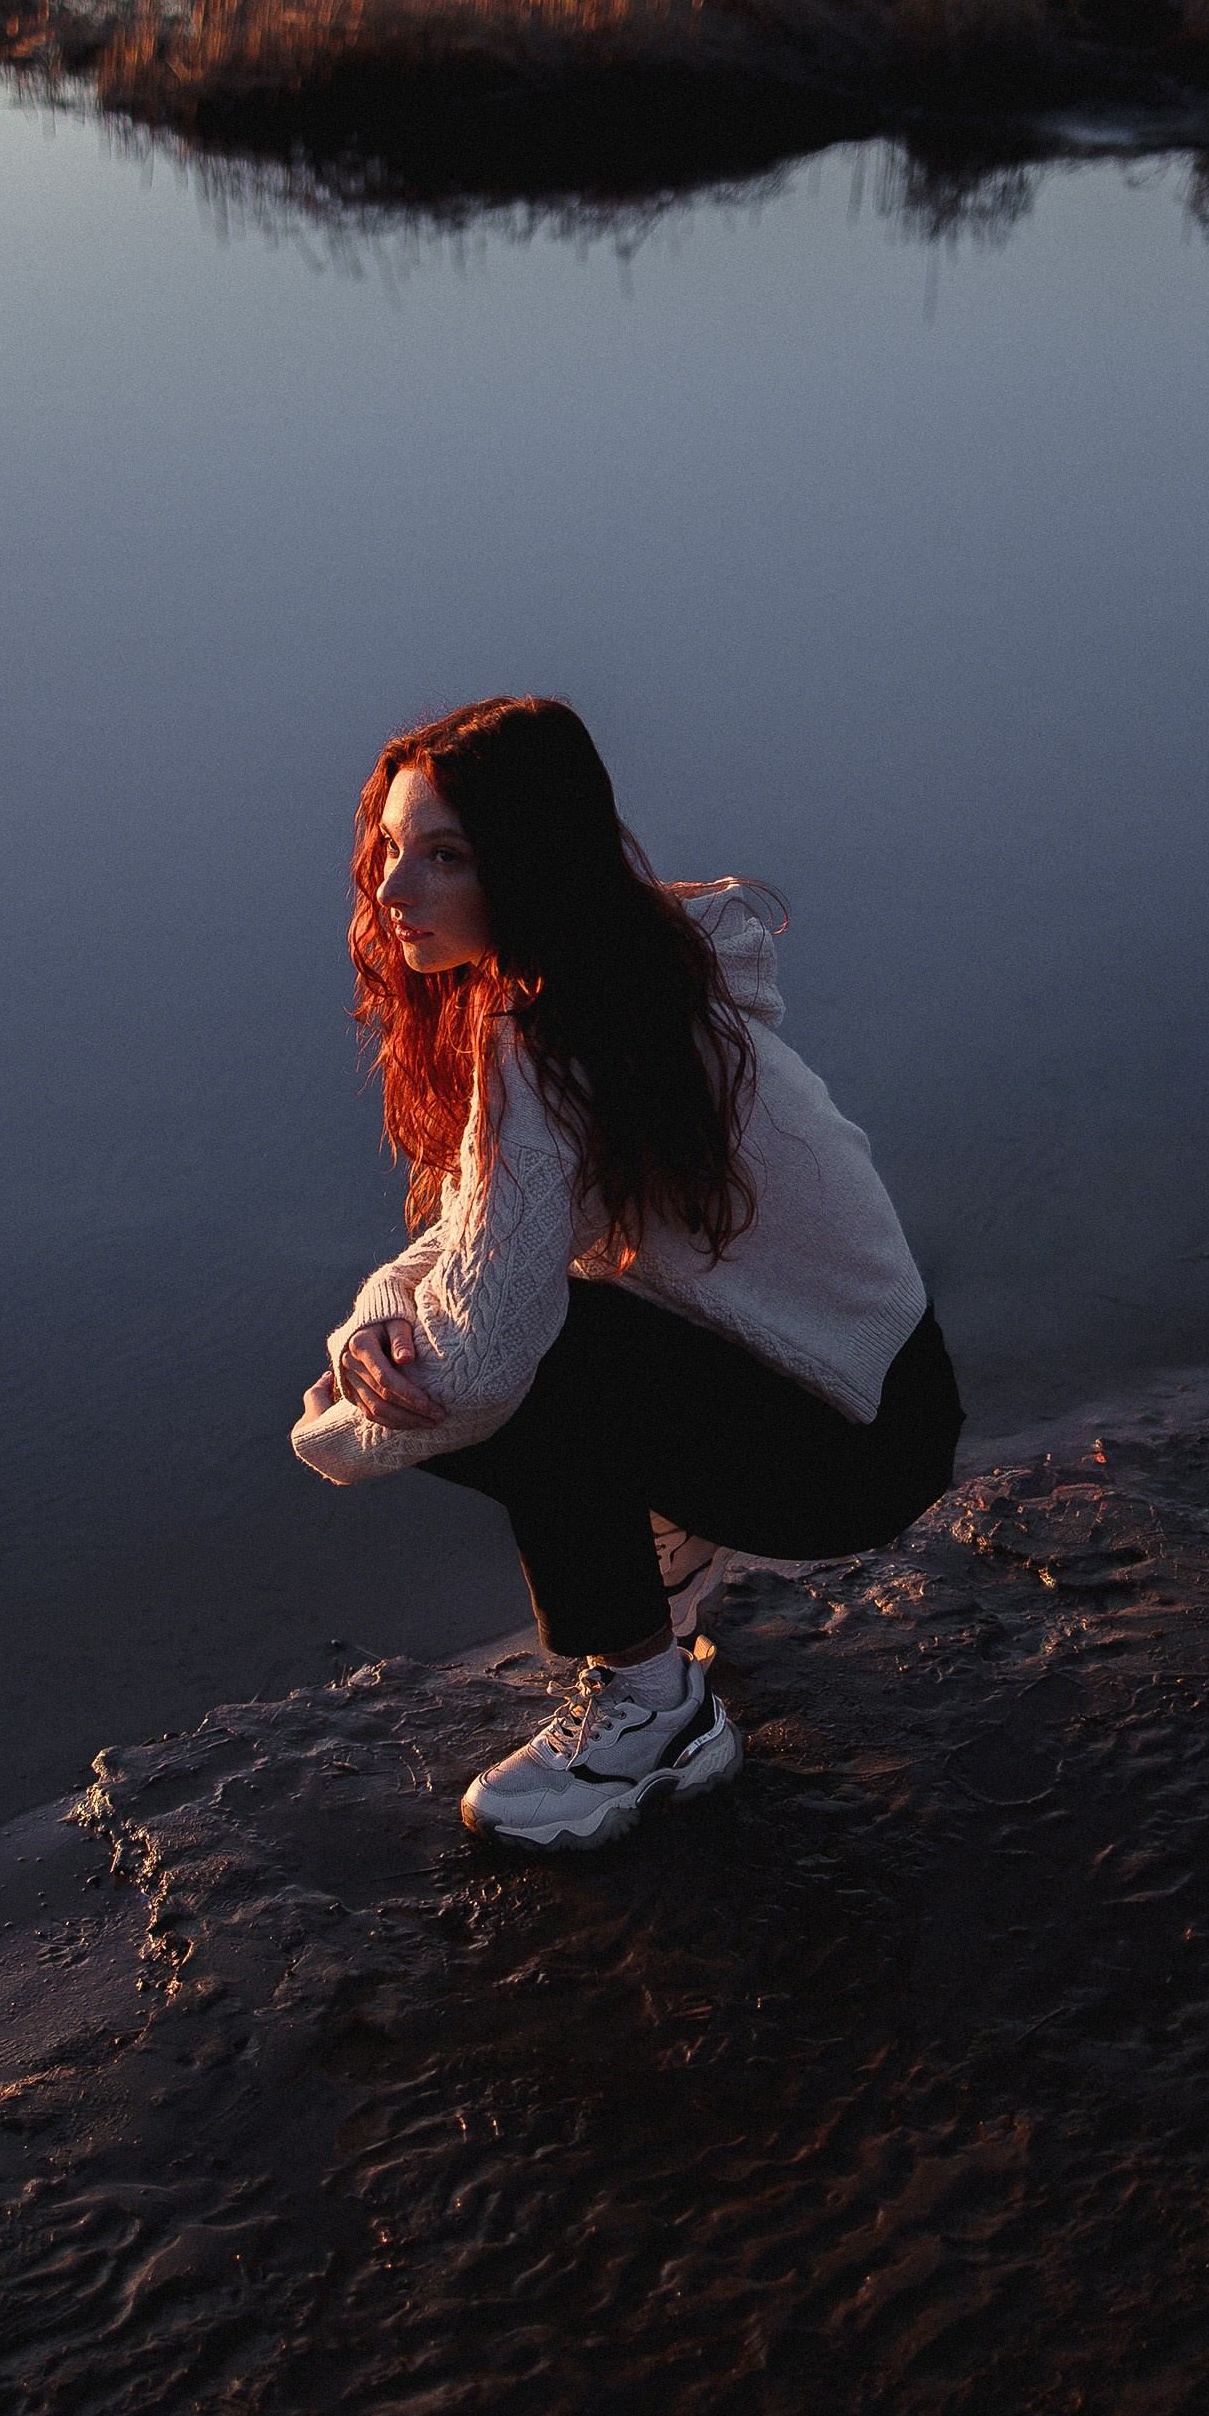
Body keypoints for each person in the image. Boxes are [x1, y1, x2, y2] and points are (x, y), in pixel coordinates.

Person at [294, 696, 963, 1852]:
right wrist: (377, 1313)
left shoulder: (547, 1035)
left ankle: (656, 1712)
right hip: (884, 1397)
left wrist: (343, 1413)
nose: (393, 892)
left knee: (500, 1385)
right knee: (516, 1327)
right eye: (391, 849)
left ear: (530, 859)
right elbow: (476, 1222)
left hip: (846, 1447)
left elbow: (486, 1359)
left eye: (444, 856)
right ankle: (672, 1549)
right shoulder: (631, 967)